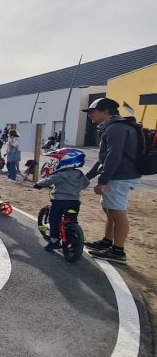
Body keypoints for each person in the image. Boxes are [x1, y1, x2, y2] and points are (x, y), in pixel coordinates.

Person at [82, 98, 142, 263]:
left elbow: (113, 157)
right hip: (119, 175)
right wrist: (88, 177)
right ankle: (107, 242)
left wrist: (102, 180)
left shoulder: (116, 128)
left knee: (117, 212)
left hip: (121, 175)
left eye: (92, 112)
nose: (90, 116)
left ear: (105, 111)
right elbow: (104, 158)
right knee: (110, 210)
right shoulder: (114, 126)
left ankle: (118, 251)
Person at [33, 148, 90, 251]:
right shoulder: (80, 174)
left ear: (64, 161)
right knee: (72, 220)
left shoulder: (60, 175)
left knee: (54, 220)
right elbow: (86, 184)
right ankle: (74, 237)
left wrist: (38, 184)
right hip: (75, 202)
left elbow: (48, 181)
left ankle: (54, 241)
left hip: (60, 202)